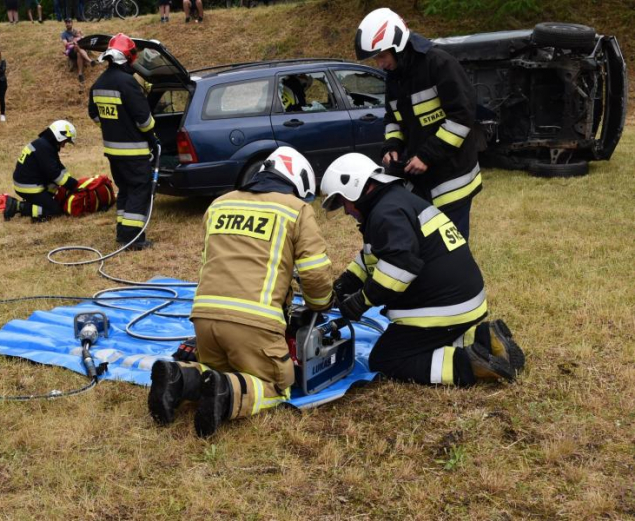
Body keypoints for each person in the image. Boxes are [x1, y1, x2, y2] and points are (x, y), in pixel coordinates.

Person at [148, 147, 333, 437]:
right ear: (297, 182)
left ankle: (178, 378)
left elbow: (207, 262)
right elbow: (315, 272)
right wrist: (320, 304)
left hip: (204, 322)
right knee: (276, 383)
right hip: (255, 325)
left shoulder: (219, 204)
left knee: (215, 370)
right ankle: (227, 394)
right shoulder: (296, 210)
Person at [319, 153, 524, 387]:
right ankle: (484, 339)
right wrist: (347, 281)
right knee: (419, 341)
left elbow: (401, 265)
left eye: (343, 202)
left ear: (354, 187)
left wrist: (362, 301)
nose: (346, 211)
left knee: (386, 358)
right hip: (462, 300)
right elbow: (378, 254)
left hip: (444, 308)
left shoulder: (385, 213)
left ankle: (468, 364)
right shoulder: (393, 202)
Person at [355, 8, 481, 240]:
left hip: (452, 180)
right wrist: (391, 146)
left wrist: (427, 155)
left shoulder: (439, 64)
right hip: (420, 182)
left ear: (398, 46)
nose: (380, 64)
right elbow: (393, 118)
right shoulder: (395, 77)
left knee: (452, 248)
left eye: (382, 56)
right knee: (426, 247)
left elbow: (462, 116)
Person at [89, 33, 157, 250]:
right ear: (127, 58)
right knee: (139, 190)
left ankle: (122, 233)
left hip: (113, 152)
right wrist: (153, 139)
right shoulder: (127, 83)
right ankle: (134, 239)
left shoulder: (99, 83)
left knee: (125, 190)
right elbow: (144, 120)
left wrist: (113, 128)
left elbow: (94, 114)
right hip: (134, 152)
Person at [3, 120, 79, 222]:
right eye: (65, 141)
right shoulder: (45, 148)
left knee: (53, 189)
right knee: (55, 211)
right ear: (59, 136)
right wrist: (73, 185)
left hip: (29, 182)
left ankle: (38, 201)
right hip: (29, 187)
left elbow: (58, 166)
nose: (63, 145)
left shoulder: (45, 144)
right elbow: (55, 174)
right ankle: (18, 206)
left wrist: (72, 181)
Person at [62, 19, 95, 83]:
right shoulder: (64, 34)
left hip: (78, 50)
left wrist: (81, 36)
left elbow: (83, 38)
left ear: (72, 23)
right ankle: (90, 61)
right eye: (66, 23)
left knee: (79, 53)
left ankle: (80, 74)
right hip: (71, 51)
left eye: (69, 22)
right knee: (77, 46)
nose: (67, 24)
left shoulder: (76, 31)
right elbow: (65, 44)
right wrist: (73, 42)